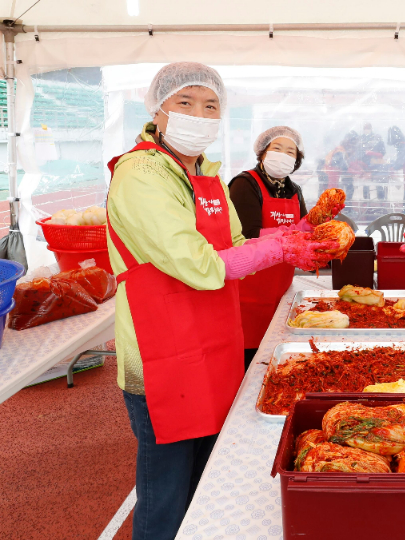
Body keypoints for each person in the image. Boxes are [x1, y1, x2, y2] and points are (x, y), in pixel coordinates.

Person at [106, 63, 338, 540]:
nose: (199, 113)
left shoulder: (206, 175)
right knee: (166, 489)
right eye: (185, 103)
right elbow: (197, 263)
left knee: (206, 476)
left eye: (210, 105)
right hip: (160, 353)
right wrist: (279, 247)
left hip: (211, 343)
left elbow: (235, 244)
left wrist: (291, 235)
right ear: (159, 109)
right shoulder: (141, 172)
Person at [229, 126, 335, 371]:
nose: (283, 155)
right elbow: (246, 236)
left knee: (276, 354)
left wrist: (317, 226)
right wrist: (290, 237)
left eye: (291, 151)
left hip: (280, 285)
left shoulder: (293, 190)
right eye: (277, 148)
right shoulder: (245, 184)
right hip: (250, 288)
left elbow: (302, 231)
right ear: (263, 152)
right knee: (250, 359)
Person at [360, 123, 388, 200]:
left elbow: (382, 152)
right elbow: (359, 152)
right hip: (365, 164)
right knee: (365, 184)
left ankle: (381, 200)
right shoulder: (361, 138)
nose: (366, 130)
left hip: (376, 164)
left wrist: (371, 153)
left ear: (371, 129)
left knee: (378, 183)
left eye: (368, 128)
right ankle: (366, 200)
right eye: (365, 128)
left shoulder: (377, 138)